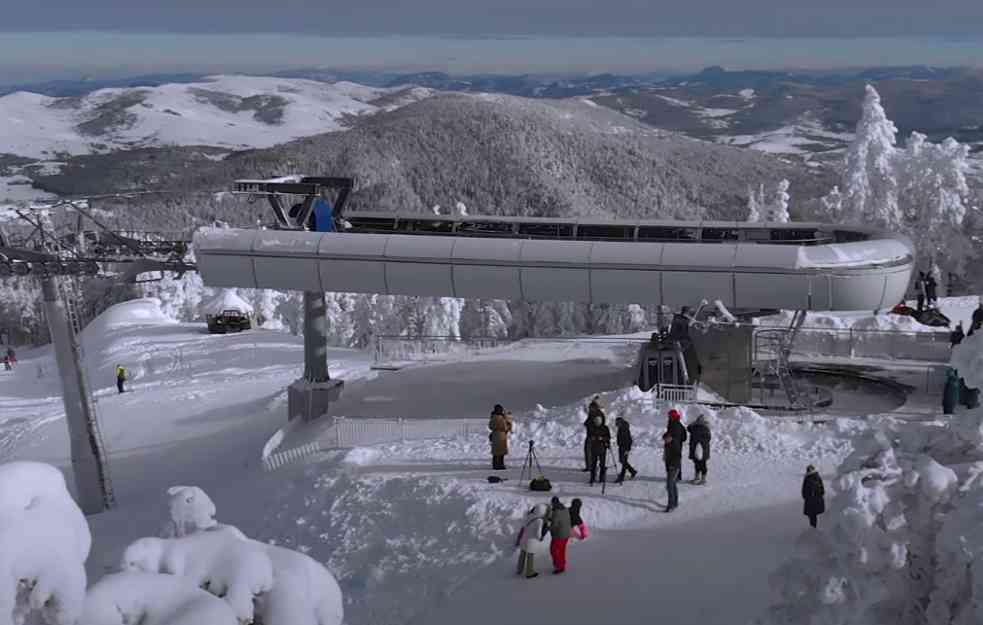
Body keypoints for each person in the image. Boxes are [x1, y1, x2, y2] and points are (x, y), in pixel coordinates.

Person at [515, 503, 549, 579]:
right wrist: (540, 538)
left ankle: (519, 569)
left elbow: (523, 526)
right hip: (531, 542)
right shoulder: (539, 520)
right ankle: (529, 572)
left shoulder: (529, 515)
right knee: (530, 557)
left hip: (524, 539)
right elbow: (538, 533)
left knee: (522, 554)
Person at [663, 409, 687, 512]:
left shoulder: (675, 427)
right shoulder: (673, 426)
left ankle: (671, 504)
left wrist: (672, 465)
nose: (668, 417)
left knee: (669, 484)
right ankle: (675, 502)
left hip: (674, 462)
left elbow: (676, 454)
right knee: (672, 483)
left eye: (669, 416)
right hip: (671, 461)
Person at [547, 496, 572, 574]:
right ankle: (562, 565)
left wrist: (548, 528)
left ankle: (559, 566)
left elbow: (554, 525)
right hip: (566, 534)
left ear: (554, 503)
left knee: (553, 550)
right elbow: (561, 519)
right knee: (561, 551)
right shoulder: (565, 509)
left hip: (559, 535)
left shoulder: (556, 512)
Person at [687, 414, 711, 485]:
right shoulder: (705, 428)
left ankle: (701, 479)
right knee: (700, 464)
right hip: (701, 450)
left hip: (701, 450)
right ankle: (700, 478)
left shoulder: (697, 428)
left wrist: (694, 423)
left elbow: (688, 428)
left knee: (700, 464)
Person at [587, 415, 612, 486]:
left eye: (598, 422)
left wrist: (602, 438)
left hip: (602, 448)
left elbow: (608, 437)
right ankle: (592, 478)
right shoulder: (592, 428)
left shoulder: (605, 428)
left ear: (601, 421)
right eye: (596, 422)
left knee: (602, 464)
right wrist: (592, 438)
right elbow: (589, 436)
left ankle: (602, 477)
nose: (597, 423)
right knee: (593, 464)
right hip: (594, 448)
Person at [582, 396, 605, 472]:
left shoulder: (598, 415)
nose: (589, 409)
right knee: (588, 451)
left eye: (590, 408)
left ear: (594, 408)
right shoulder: (593, 413)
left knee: (590, 452)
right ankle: (590, 466)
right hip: (590, 435)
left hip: (593, 436)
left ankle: (591, 467)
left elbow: (599, 426)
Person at [613, 416, 638, 483]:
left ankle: (622, 477)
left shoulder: (624, 429)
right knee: (622, 461)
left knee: (623, 461)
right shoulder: (621, 428)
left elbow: (629, 440)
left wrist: (627, 449)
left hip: (625, 448)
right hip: (621, 447)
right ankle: (632, 471)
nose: (616, 424)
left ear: (620, 422)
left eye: (617, 422)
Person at [488, 404, 512, 470]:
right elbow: (505, 427)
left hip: (495, 435)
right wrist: (508, 419)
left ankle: (495, 464)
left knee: (495, 452)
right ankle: (500, 464)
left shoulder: (493, 417)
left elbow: (490, 426)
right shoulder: (500, 418)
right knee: (501, 452)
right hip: (501, 436)